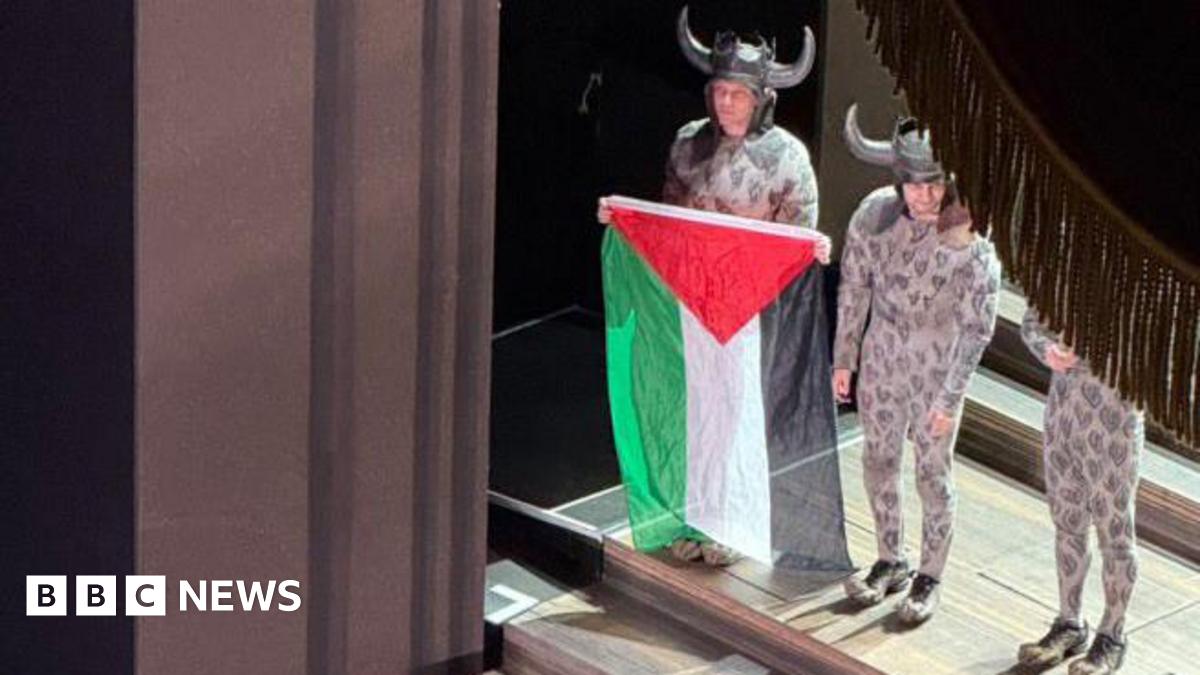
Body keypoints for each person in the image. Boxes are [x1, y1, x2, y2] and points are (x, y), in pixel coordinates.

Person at [599, 6, 828, 566]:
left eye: (739, 94)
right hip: (689, 304)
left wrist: (810, 252)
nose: (727, 102)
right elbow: (671, 226)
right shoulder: (686, 145)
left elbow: (795, 241)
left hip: (752, 311)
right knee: (691, 412)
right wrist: (625, 222)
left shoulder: (788, 160)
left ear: (762, 99)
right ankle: (691, 518)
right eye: (720, 90)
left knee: (736, 417)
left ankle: (729, 524)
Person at [833, 104, 1001, 623]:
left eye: (934, 184)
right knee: (878, 461)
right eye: (915, 185)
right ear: (899, 181)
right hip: (882, 359)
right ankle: (890, 559)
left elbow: (978, 326)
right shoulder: (872, 216)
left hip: (935, 370)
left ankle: (929, 576)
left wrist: (952, 396)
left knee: (932, 473)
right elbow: (854, 286)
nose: (925, 195)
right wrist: (844, 357)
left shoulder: (970, 240)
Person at [1015, 307, 1141, 674]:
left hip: (1115, 419)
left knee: (1115, 533)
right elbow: (1032, 322)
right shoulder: (1075, 267)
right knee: (1067, 524)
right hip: (1063, 412)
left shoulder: (1150, 282)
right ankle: (1069, 623)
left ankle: (1112, 636)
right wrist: (1049, 350)